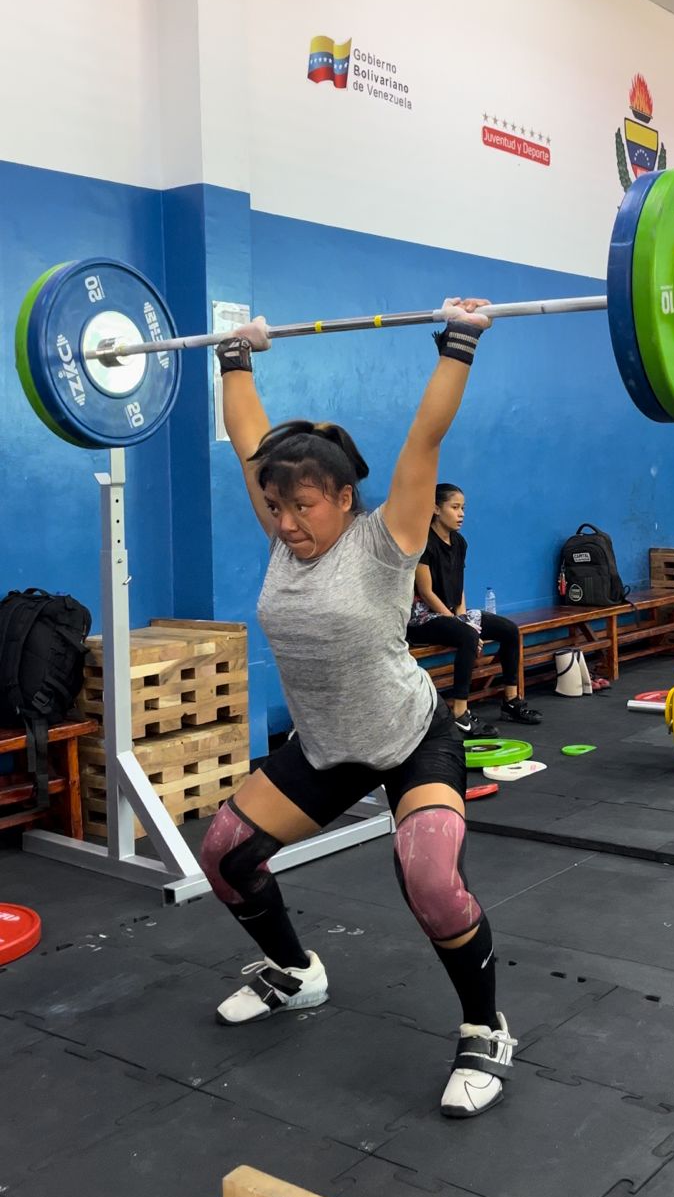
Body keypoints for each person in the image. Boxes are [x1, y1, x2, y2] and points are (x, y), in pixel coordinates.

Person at [198, 299, 515, 1119]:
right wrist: (234, 355)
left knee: (429, 876)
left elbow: (424, 439)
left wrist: (460, 340)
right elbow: (248, 437)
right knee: (225, 856)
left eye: (301, 507)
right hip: (327, 746)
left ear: (343, 497)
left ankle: (485, 1027)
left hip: (410, 737)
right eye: (275, 507)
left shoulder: (386, 539)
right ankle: (295, 972)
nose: (285, 522)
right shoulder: (284, 539)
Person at [406, 484, 541, 736]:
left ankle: (511, 701)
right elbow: (426, 592)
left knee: (509, 630)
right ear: (436, 509)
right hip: (422, 618)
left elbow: (458, 586)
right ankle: (459, 713)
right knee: (468, 635)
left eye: (463, 508)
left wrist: (463, 617)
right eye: (455, 507)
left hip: (449, 613)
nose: (461, 514)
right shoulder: (423, 543)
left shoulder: (459, 542)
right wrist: (462, 625)